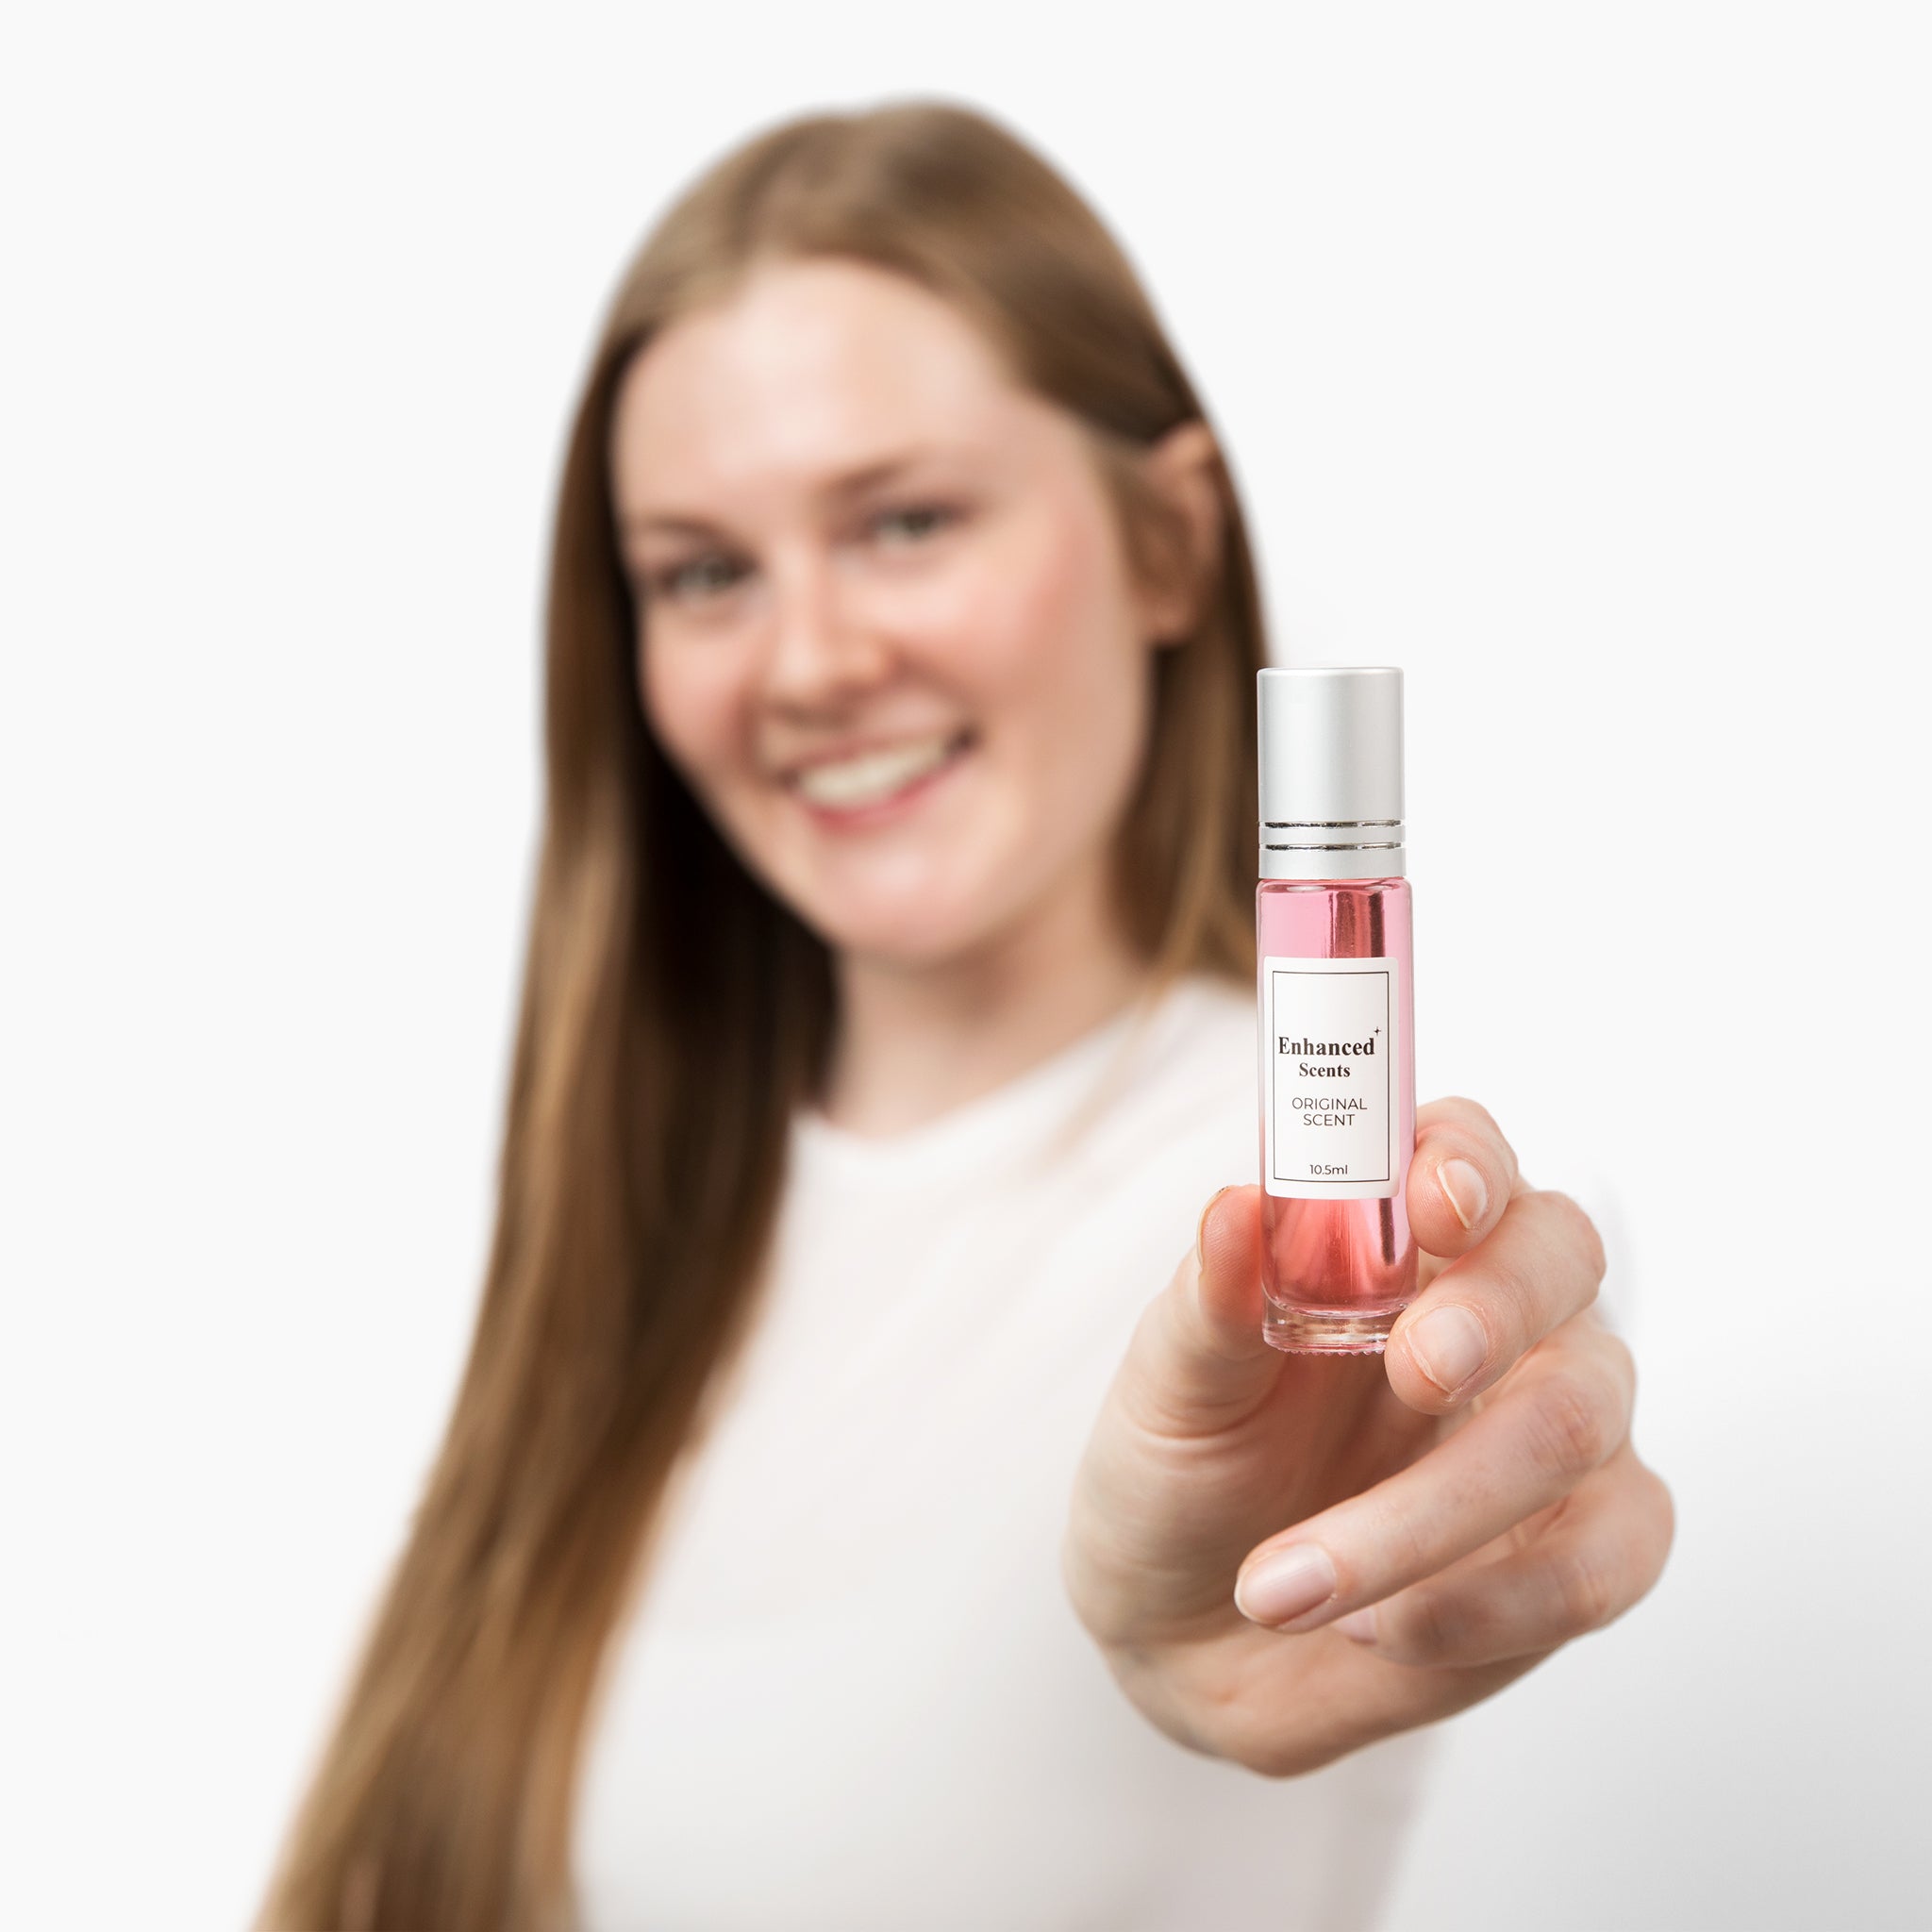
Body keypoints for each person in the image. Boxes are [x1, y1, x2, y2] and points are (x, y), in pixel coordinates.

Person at [258, 100, 1674, 1932]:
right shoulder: (639, 1210)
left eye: (905, 520)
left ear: (1169, 546)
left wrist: (1224, 1609)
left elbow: (1375, 1499)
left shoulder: (1324, 1239)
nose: (815, 659)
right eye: (703, 570)